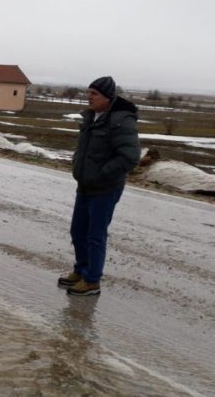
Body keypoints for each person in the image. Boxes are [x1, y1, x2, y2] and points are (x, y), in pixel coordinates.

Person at [58, 76, 140, 296]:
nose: (89, 97)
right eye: (88, 93)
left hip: (105, 188)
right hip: (85, 185)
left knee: (95, 234)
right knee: (78, 231)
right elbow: (82, 148)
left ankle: (92, 280)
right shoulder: (91, 117)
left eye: (94, 94)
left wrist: (102, 175)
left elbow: (130, 157)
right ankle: (81, 270)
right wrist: (78, 166)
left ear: (107, 97)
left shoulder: (121, 120)